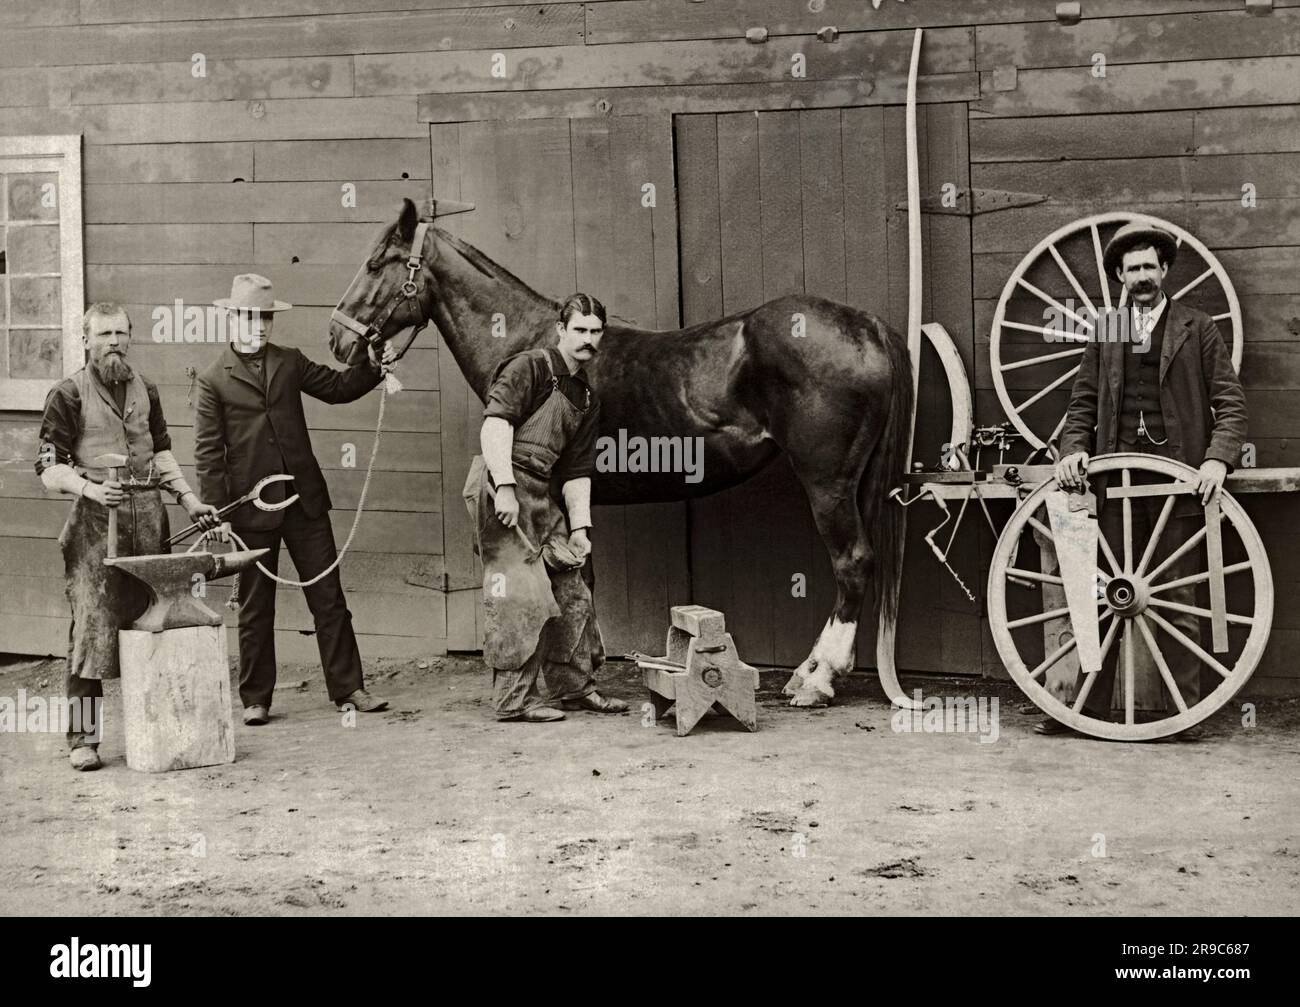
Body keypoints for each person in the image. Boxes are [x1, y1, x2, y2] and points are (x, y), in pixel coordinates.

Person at [1040, 222, 1248, 739]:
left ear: (1163, 271)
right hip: (1113, 489)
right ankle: (1080, 710)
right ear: (1119, 276)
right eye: (1131, 269)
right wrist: (1072, 451)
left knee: (1178, 605)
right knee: (1101, 598)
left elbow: (1231, 403)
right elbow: (1082, 403)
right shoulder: (1108, 328)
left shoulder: (1196, 326)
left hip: (1177, 487)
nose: (1141, 277)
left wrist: (1218, 460)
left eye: (1149, 267)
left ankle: (1183, 714)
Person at [194, 274, 395, 726]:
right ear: (232, 317)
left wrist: (375, 366)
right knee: (255, 607)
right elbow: (209, 453)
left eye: (266, 317)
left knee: (329, 598)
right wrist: (217, 514)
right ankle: (255, 699)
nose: (260, 326)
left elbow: (338, 389)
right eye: (250, 317)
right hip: (250, 511)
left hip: (304, 503)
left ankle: (349, 689)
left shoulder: (289, 362)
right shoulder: (212, 380)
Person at [36, 302, 223, 770]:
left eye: (121, 333)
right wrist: (92, 489)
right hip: (94, 529)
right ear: (85, 340)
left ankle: (160, 725)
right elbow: (47, 468)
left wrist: (189, 500)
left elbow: (161, 454)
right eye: (103, 334)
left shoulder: (147, 390)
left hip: (149, 521)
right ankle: (84, 739)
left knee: (157, 619)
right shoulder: (68, 394)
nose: (114, 342)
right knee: (92, 630)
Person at [464, 293, 628, 722]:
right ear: (561, 330)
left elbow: (576, 471)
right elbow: (495, 425)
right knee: (519, 591)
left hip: (541, 493)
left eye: (595, 332)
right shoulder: (530, 367)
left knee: (571, 585)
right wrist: (503, 488)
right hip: (500, 481)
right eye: (580, 330)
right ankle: (512, 701)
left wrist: (580, 528)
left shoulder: (588, 397)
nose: (588, 340)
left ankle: (573, 689)